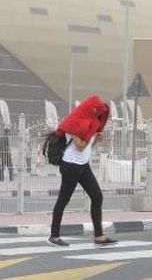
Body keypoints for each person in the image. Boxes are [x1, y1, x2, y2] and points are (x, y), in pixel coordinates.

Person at [48, 96, 118, 247]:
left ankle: (99, 236)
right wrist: (92, 133)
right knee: (63, 200)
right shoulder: (75, 123)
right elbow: (79, 145)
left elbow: (86, 148)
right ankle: (54, 236)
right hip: (70, 166)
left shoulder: (90, 124)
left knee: (97, 196)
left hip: (83, 165)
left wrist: (96, 140)